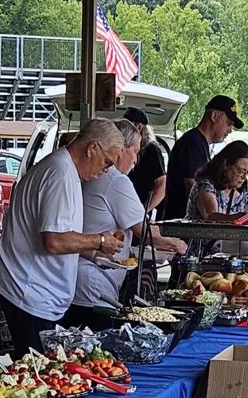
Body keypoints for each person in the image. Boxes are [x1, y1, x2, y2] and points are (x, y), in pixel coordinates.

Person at [0, 118, 127, 352]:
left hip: (34, 292)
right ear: (92, 148)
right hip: (28, 292)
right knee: (36, 368)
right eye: (107, 162)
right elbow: (54, 240)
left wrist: (93, 254)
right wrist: (99, 241)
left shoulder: (65, 170)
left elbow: (61, 234)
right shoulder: (60, 173)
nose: (106, 170)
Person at [71, 120, 187, 320]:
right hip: (93, 284)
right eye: (135, 151)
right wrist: (177, 244)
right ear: (121, 149)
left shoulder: (98, 177)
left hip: (81, 280)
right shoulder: (116, 181)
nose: (136, 159)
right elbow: (146, 232)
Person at [162, 94, 242, 219]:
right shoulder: (192, 144)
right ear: (214, 116)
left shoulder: (199, 144)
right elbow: (194, 188)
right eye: (228, 123)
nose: (230, 130)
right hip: (182, 225)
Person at [187, 142, 248, 259]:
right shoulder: (205, 186)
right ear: (225, 165)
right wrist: (237, 219)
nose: (244, 177)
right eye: (240, 171)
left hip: (231, 257)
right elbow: (211, 216)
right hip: (201, 257)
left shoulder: (244, 192)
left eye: (247, 172)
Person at [123, 108, 168, 219]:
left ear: (139, 127)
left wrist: (143, 211)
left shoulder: (152, 150)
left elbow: (161, 185)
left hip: (138, 211)